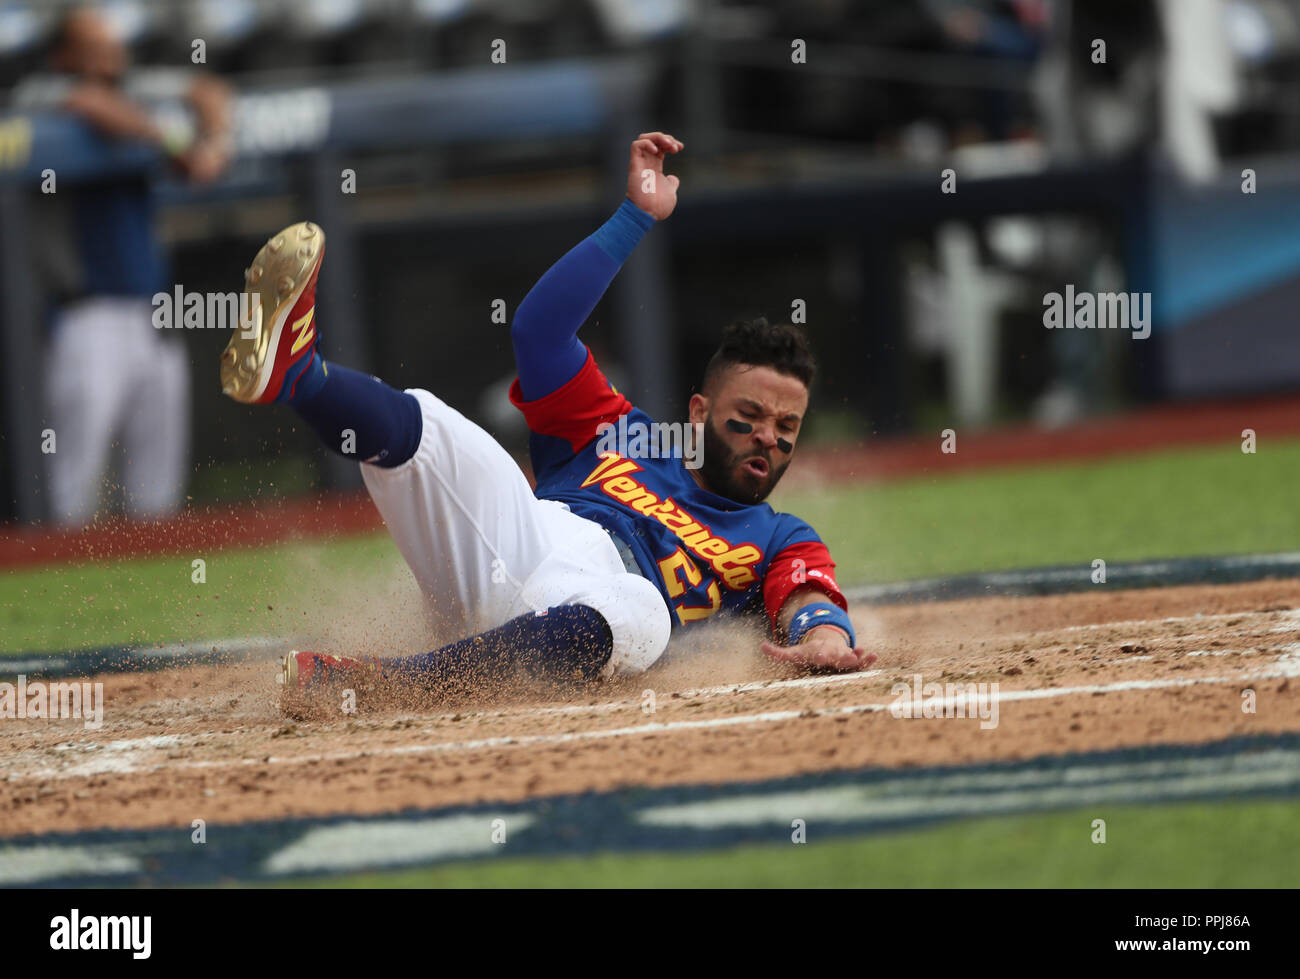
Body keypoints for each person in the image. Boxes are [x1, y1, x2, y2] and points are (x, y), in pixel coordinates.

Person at [220, 132, 875, 694]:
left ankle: (381, 682)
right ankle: (297, 373)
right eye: (750, 415)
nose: (767, 436)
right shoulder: (622, 430)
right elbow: (538, 331)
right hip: (516, 541)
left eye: (786, 428)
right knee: (431, 424)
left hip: (587, 617)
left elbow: (808, 595)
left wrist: (823, 635)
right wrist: (635, 217)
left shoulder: (777, 533)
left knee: (642, 607)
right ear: (699, 409)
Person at [11, 6, 232, 526]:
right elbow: (90, 104)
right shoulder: (42, 95)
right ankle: (63, 600)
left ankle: (158, 601)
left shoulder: (138, 93)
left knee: (156, 495)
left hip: (153, 315)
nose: (106, 57)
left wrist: (212, 145)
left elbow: (209, 92)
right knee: (73, 494)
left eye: (110, 45)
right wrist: (175, 138)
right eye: (91, 47)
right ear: (63, 55)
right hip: (84, 318)